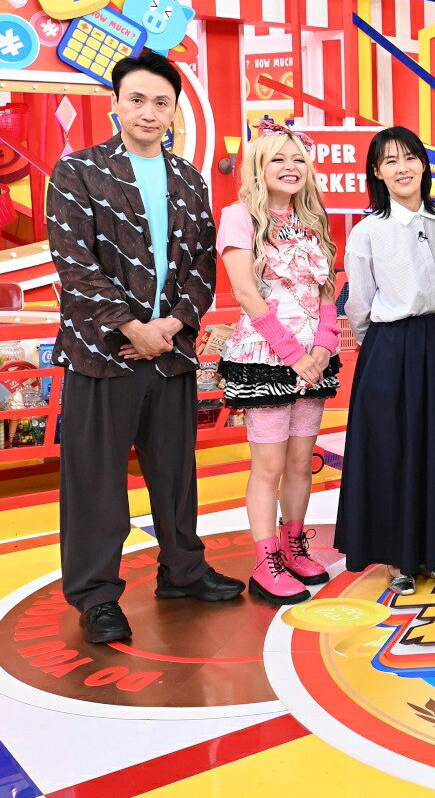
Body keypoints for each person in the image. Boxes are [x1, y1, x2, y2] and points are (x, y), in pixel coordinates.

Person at [47, 49, 243, 644]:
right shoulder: (78, 171)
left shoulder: (188, 179)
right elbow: (75, 265)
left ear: (175, 111)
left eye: (162, 102)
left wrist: (173, 325)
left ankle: (182, 570)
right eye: (137, 99)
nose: (149, 112)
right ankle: (96, 595)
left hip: (171, 353)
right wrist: (133, 327)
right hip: (102, 354)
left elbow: (203, 264)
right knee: (96, 482)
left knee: (176, 475)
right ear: (115, 103)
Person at [218, 119, 342, 606]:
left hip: (314, 360)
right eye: (278, 159)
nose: (290, 168)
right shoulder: (239, 217)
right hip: (267, 358)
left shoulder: (313, 219)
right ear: (258, 167)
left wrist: (324, 345)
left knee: (300, 463)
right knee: (268, 465)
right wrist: (293, 355)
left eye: (298, 160)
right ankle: (265, 561)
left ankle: (294, 546)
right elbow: (245, 293)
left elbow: (328, 289)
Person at [334, 127, 435, 597]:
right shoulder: (368, 231)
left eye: (410, 157)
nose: (402, 168)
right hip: (391, 347)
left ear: (424, 164)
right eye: (390, 161)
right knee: (393, 449)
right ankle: (397, 556)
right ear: (377, 172)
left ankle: (432, 552)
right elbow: (359, 303)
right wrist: (385, 347)